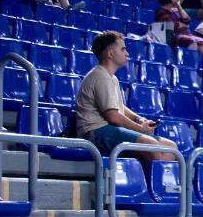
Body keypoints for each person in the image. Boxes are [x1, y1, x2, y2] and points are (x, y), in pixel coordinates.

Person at [74, 31, 177, 172]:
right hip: (95, 131)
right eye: (123, 49)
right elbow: (113, 116)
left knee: (170, 147)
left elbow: (118, 106)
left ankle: (155, 185)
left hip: (109, 129)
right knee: (150, 144)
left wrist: (138, 118)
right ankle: (150, 188)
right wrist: (139, 128)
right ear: (110, 54)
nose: (127, 53)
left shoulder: (111, 77)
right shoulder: (100, 77)